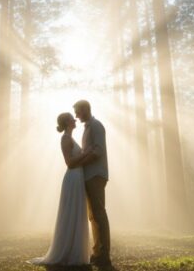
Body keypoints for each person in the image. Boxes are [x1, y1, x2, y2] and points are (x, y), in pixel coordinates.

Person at [28, 112, 93, 266]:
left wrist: (84, 154)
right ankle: (65, 251)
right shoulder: (65, 139)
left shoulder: (70, 138)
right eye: (72, 118)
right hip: (72, 178)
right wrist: (86, 153)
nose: (75, 119)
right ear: (67, 122)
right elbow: (69, 162)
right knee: (71, 212)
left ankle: (74, 250)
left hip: (78, 178)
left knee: (76, 212)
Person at [74, 99, 112, 270]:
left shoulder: (96, 126)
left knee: (99, 213)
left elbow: (98, 151)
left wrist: (81, 162)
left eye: (78, 111)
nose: (76, 115)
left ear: (85, 109)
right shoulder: (87, 128)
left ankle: (104, 255)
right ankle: (97, 253)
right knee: (93, 215)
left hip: (96, 174)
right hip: (90, 175)